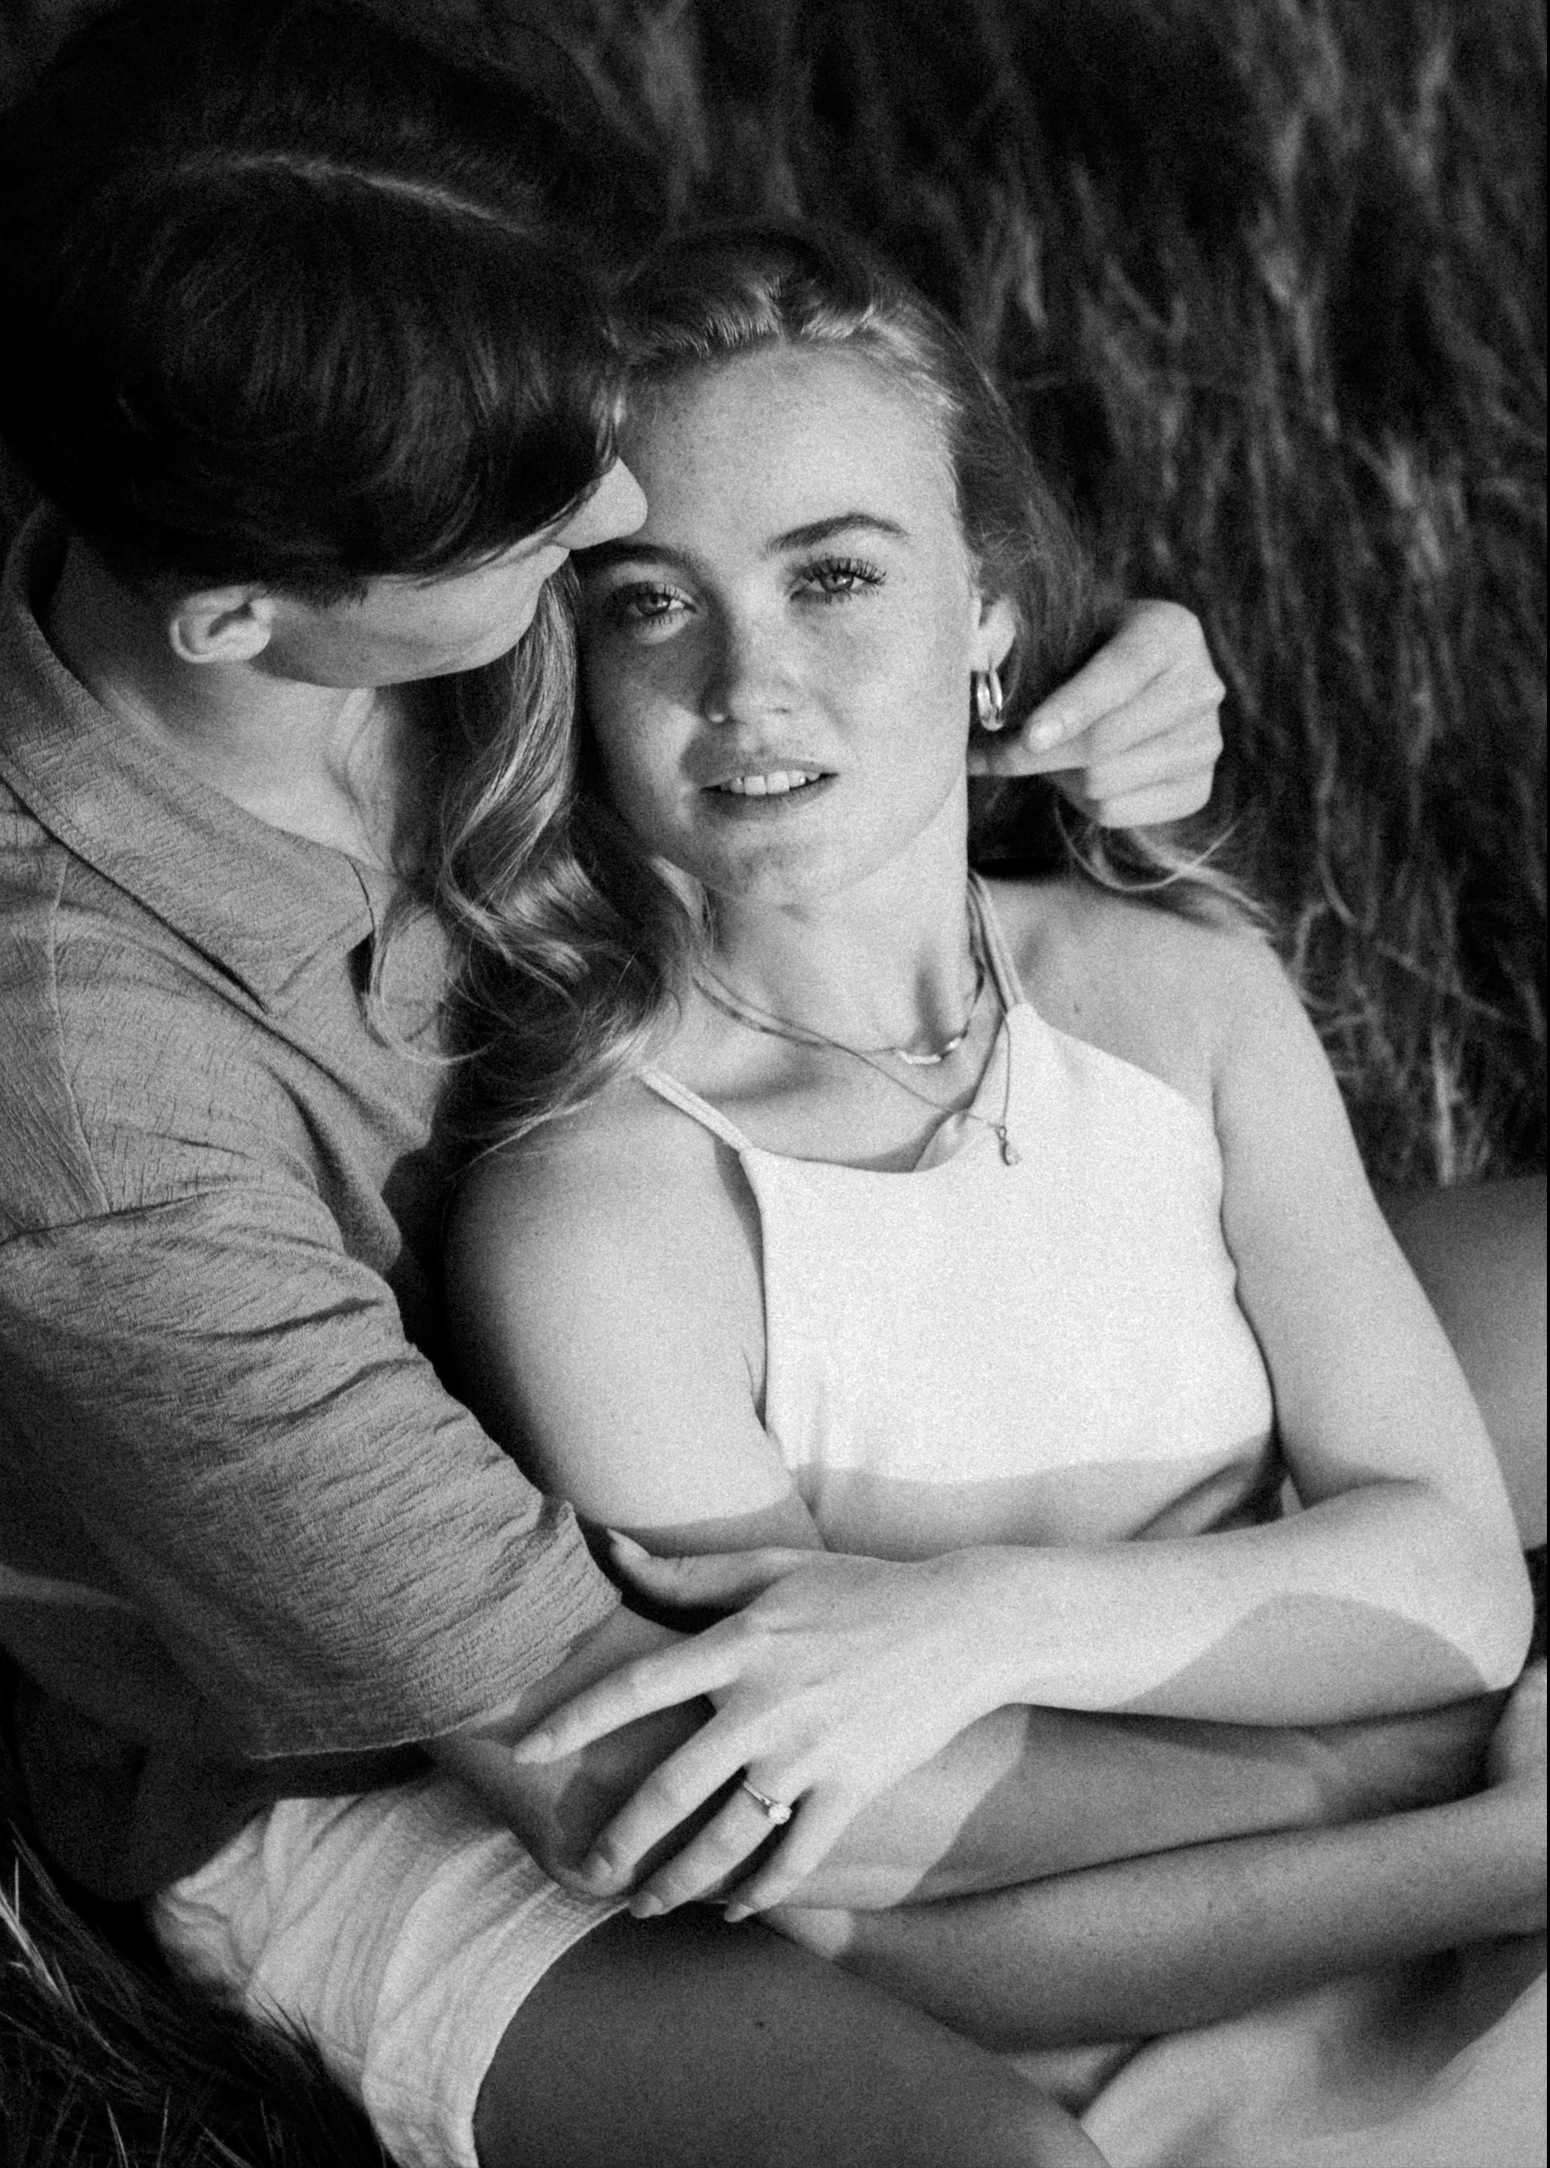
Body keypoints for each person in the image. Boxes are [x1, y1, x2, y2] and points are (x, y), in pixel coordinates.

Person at [0, 7, 1278, 2167]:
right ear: (239, 624)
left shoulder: (402, 457)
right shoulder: (90, 1131)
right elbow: (645, 1760)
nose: (609, 504)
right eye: (548, 538)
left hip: (792, 1341)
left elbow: (802, 587)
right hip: (421, 1740)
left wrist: (1071, 680)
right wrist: (1399, 1768)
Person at [431, 225, 1546, 2167]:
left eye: (835, 576)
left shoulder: (1174, 995)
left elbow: (1450, 1586)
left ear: (986, 611)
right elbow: (893, 1932)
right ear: (568, 659)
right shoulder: (602, 1214)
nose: (747, 682)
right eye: (644, 606)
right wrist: (1476, 1824)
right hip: (1130, 2044)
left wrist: (970, 1623)